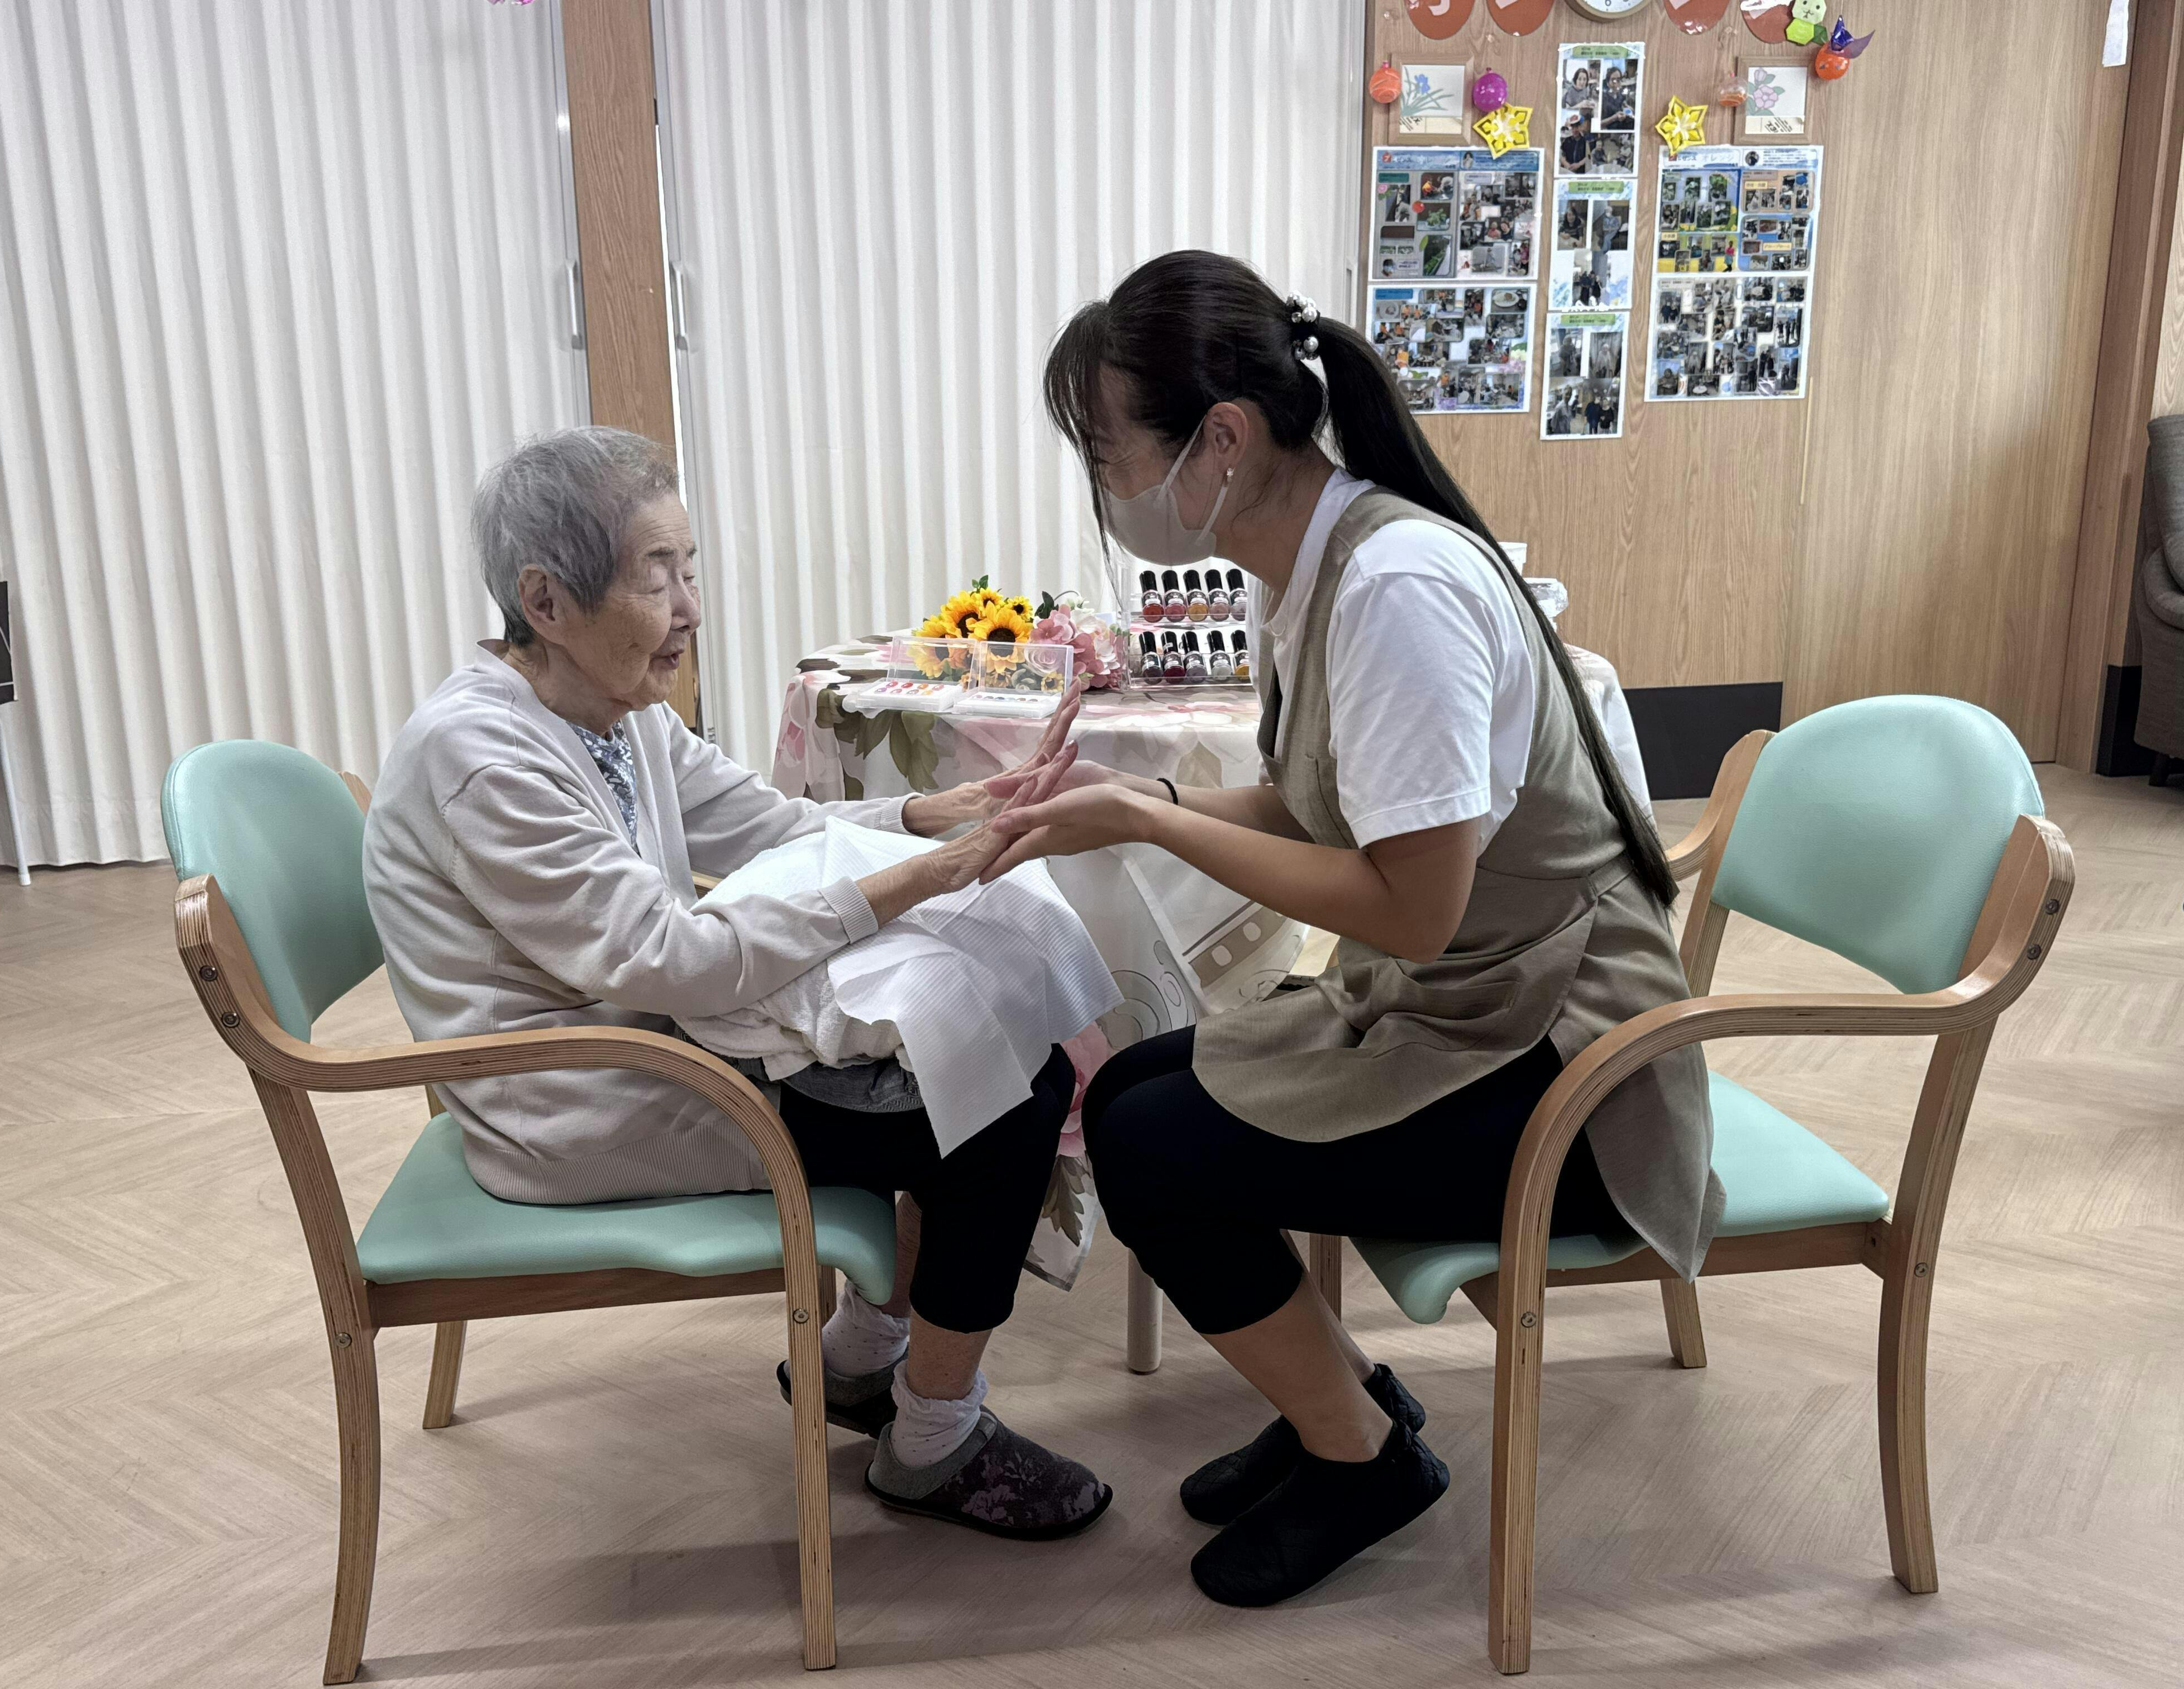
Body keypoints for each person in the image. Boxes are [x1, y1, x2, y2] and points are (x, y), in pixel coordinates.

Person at [999, 252, 1720, 1606]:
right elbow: (1327, 800)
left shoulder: (1396, 587)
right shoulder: (1313, 563)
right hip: (1469, 1008)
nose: (1104, 483)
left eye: (1107, 449)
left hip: (1570, 1069)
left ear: (1221, 440)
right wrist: (1146, 799)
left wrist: (1152, 825)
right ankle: (1347, 1398)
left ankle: (1363, 1461)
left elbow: (1409, 906)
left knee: (1152, 1148)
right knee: (1142, 1084)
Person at [363, 427, 1112, 1540]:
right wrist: (926, 876)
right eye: (656, 577)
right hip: (583, 1101)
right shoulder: (484, 759)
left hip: (665, 1048)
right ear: (546, 600)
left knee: (957, 1048)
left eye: (690, 569)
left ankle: (861, 1362)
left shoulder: (609, 708)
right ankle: (936, 1441)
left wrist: (931, 815)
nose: (691, 609)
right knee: (1006, 1098)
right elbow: (677, 958)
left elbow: (770, 825)